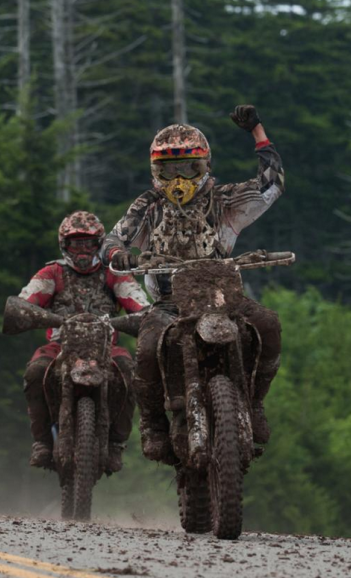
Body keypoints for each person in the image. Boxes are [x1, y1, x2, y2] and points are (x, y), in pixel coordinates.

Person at [100, 105, 285, 464]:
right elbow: (114, 237)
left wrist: (257, 131)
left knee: (268, 324)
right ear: (156, 171)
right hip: (169, 301)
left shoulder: (225, 199)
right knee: (149, 345)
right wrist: (120, 254)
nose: (180, 178)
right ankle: (154, 423)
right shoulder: (148, 205)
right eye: (169, 170)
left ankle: (256, 402)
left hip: (224, 294)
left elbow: (271, 183)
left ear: (205, 165)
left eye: (189, 167)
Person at [17, 210, 150, 471]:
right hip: (60, 345)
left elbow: (138, 302)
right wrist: (25, 311)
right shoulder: (51, 273)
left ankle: (115, 444)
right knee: (35, 371)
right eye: (76, 243)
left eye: (88, 243)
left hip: (105, 347)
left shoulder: (114, 274)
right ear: (64, 245)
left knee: (129, 373)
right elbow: (26, 300)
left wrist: (145, 316)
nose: (82, 250)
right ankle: (42, 442)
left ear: (99, 244)